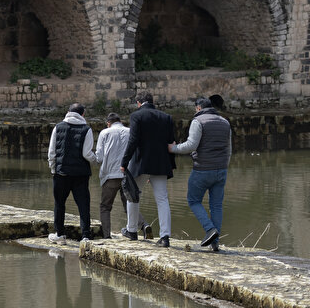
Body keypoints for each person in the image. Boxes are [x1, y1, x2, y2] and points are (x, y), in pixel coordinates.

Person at [170, 96, 232, 252]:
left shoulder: (198, 121)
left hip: (202, 169)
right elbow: (229, 149)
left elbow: (191, 145)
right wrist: (224, 165)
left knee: (193, 200)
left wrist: (173, 148)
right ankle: (215, 244)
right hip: (221, 169)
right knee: (216, 205)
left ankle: (210, 229)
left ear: (198, 108)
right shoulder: (225, 122)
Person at [120, 92, 176, 247]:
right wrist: (171, 164)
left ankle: (132, 230)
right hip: (161, 163)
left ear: (139, 103)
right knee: (162, 199)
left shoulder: (136, 116)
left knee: (133, 195)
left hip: (141, 163)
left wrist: (124, 161)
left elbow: (133, 140)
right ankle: (165, 236)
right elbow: (171, 142)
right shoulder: (166, 117)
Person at [46, 102, 98, 242]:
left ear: (68, 112)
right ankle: (85, 236)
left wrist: (53, 169)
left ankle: (59, 234)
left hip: (61, 173)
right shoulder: (87, 129)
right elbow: (87, 153)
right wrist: (96, 161)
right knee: (83, 205)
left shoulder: (58, 127)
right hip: (80, 175)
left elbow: (52, 152)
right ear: (83, 114)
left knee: (59, 204)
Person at [94, 112, 130, 239]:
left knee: (105, 206)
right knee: (130, 205)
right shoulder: (130, 131)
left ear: (108, 123)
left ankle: (106, 235)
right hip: (127, 174)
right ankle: (144, 226)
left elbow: (99, 157)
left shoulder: (105, 133)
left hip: (110, 175)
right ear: (120, 121)